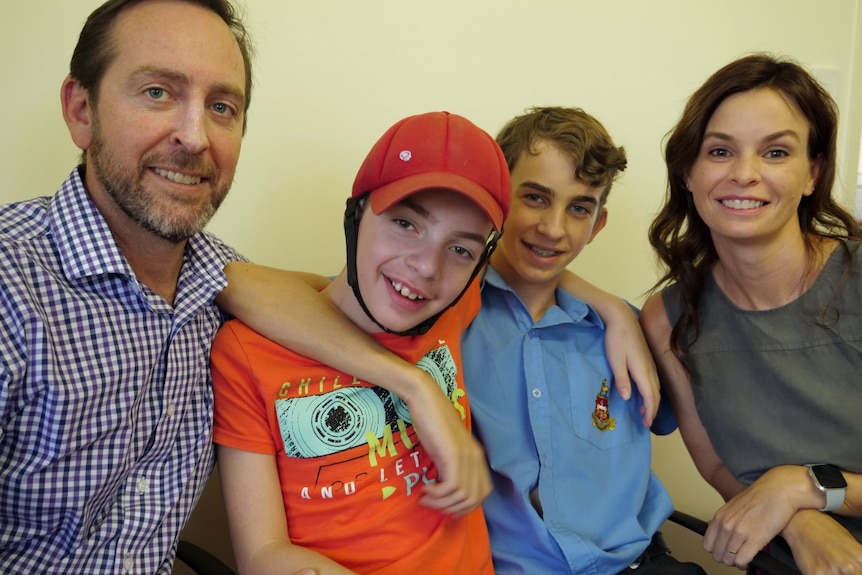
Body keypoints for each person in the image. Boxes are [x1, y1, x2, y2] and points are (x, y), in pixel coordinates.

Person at [0, 0, 257, 572]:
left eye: (222, 106)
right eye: (158, 93)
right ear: (81, 110)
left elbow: (321, 303)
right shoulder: (10, 285)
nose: (194, 138)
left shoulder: (230, 285)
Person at [210, 111, 510, 574]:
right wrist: (416, 386)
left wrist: (612, 310)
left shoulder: (455, 302)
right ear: (356, 213)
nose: (427, 268)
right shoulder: (248, 353)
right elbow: (262, 556)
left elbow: (542, 261)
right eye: (406, 224)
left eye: (460, 249)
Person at [640, 53, 862, 575]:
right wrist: (798, 520)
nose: (744, 174)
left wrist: (803, 487)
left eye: (776, 152)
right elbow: (718, 465)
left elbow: (787, 488)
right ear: (688, 173)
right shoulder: (668, 317)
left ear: (813, 173)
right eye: (720, 151)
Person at [461, 106, 706, 575]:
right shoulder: (439, 313)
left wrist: (614, 310)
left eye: (579, 208)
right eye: (534, 197)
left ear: (598, 224)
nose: (554, 228)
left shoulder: (630, 332)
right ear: (495, 198)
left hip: (638, 565)